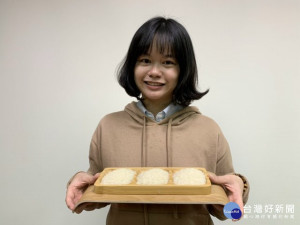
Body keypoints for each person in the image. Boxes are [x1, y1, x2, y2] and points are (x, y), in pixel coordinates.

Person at [65, 16, 249, 225]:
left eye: (168, 62)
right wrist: (81, 185)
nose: (154, 72)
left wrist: (238, 191)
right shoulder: (108, 126)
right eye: (145, 60)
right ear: (132, 65)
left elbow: (228, 210)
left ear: (183, 70)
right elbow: (98, 188)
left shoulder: (208, 129)